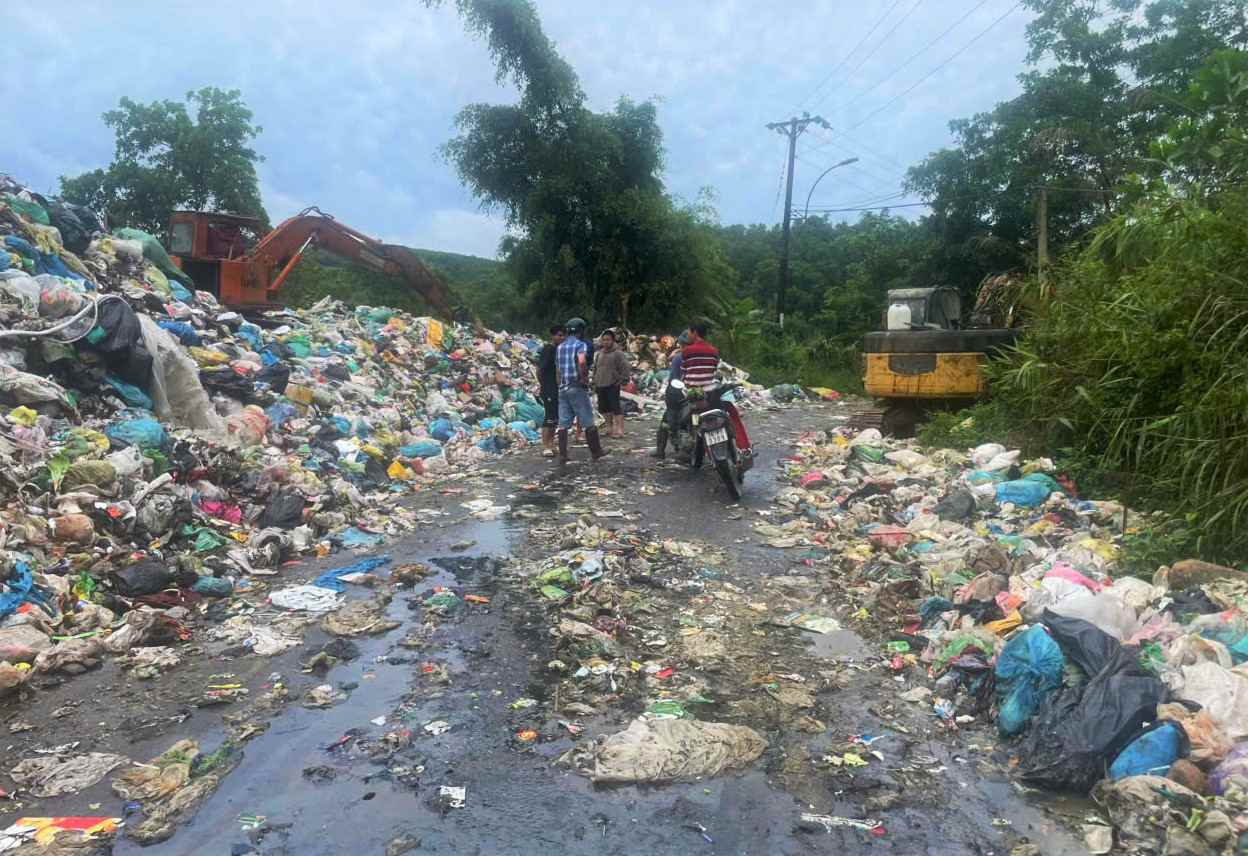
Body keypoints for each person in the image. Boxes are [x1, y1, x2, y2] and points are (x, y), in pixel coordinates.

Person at [680, 320, 753, 459]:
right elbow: (714, 371)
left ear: (694, 332)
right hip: (712, 395)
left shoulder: (686, 351)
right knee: (730, 413)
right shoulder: (713, 351)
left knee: (681, 420)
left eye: (689, 331)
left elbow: (684, 373)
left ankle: (688, 447)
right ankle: (743, 447)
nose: (688, 334)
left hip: (693, 396)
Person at [556, 317, 608, 462]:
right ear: (581, 330)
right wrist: (584, 379)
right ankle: (596, 451)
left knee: (563, 423)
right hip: (576, 387)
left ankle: (563, 455)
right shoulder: (580, 345)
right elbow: (582, 362)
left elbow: (558, 370)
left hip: (563, 388)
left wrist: (560, 385)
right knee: (587, 419)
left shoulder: (560, 347)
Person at [652, 331, 687, 460]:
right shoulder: (700, 355)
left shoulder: (679, 358)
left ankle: (660, 451)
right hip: (697, 393)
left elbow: (674, 379)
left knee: (666, 422)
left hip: (680, 394)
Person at [592, 329, 631, 439]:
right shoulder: (599, 354)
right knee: (604, 408)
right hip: (600, 384)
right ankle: (609, 428)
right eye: (604, 340)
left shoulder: (618, 353)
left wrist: (623, 380)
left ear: (613, 341)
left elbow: (625, 367)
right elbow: (595, 368)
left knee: (615, 407)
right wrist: (594, 381)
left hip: (612, 384)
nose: (606, 342)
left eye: (608, 340)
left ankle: (619, 430)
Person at [536, 324, 565, 457]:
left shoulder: (560, 350)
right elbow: (539, 370)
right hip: (548, 388)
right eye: (559, 335)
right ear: (552, 336)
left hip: (556, 387)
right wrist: (544, 384)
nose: (562, 337)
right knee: (549, 416)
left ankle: (552, 444)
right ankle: (546, 445)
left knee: (554, 417)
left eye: (563, 335)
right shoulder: (548, 349)